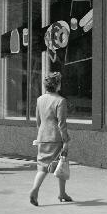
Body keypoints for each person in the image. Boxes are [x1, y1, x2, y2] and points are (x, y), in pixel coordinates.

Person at [29, 72, 71, 206]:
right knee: (62, 164)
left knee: (42, 167)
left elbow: (38, 121)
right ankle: (61, 193)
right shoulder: (60, 101)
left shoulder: (40, 99)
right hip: (55, 138)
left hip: (42, 136)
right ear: (58, 84)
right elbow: (61, 124)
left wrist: (41, 134)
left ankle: (36, 190)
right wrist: (66, 140)